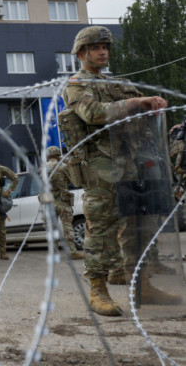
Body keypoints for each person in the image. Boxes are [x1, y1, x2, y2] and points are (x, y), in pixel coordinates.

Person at [61, 25, 181, 316]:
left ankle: (143, 285)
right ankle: (98, 290)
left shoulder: (117, 83)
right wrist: (137, 102)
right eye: (97, 47)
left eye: (106, 47)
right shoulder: (77, 84)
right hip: (103, 168)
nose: (104, 52)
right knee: (101, 227)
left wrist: (152, 107)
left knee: (139, 227)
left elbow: (140, 115)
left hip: (134, 164)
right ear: (82, 53)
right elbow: (93, 113)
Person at [44, 146, 83, 260]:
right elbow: (75, 181)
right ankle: (72, 252)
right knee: (67, 226)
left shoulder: (43, 167)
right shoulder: (63, 166)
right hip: (63, 200)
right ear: (58, 154)